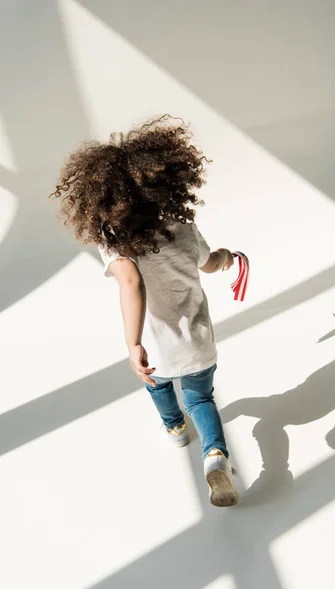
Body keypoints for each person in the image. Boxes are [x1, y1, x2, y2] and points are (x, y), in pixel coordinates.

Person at [50, 115, 239, 507]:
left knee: (157, 383)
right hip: (198, 344)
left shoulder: (116, 241)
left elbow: (131, 283)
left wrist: (133, 343)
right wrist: (228, 259)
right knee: (202, 400)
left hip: (155, 347)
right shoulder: (184, 228)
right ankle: (216, 456)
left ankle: (174, 429)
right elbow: (209, 261)